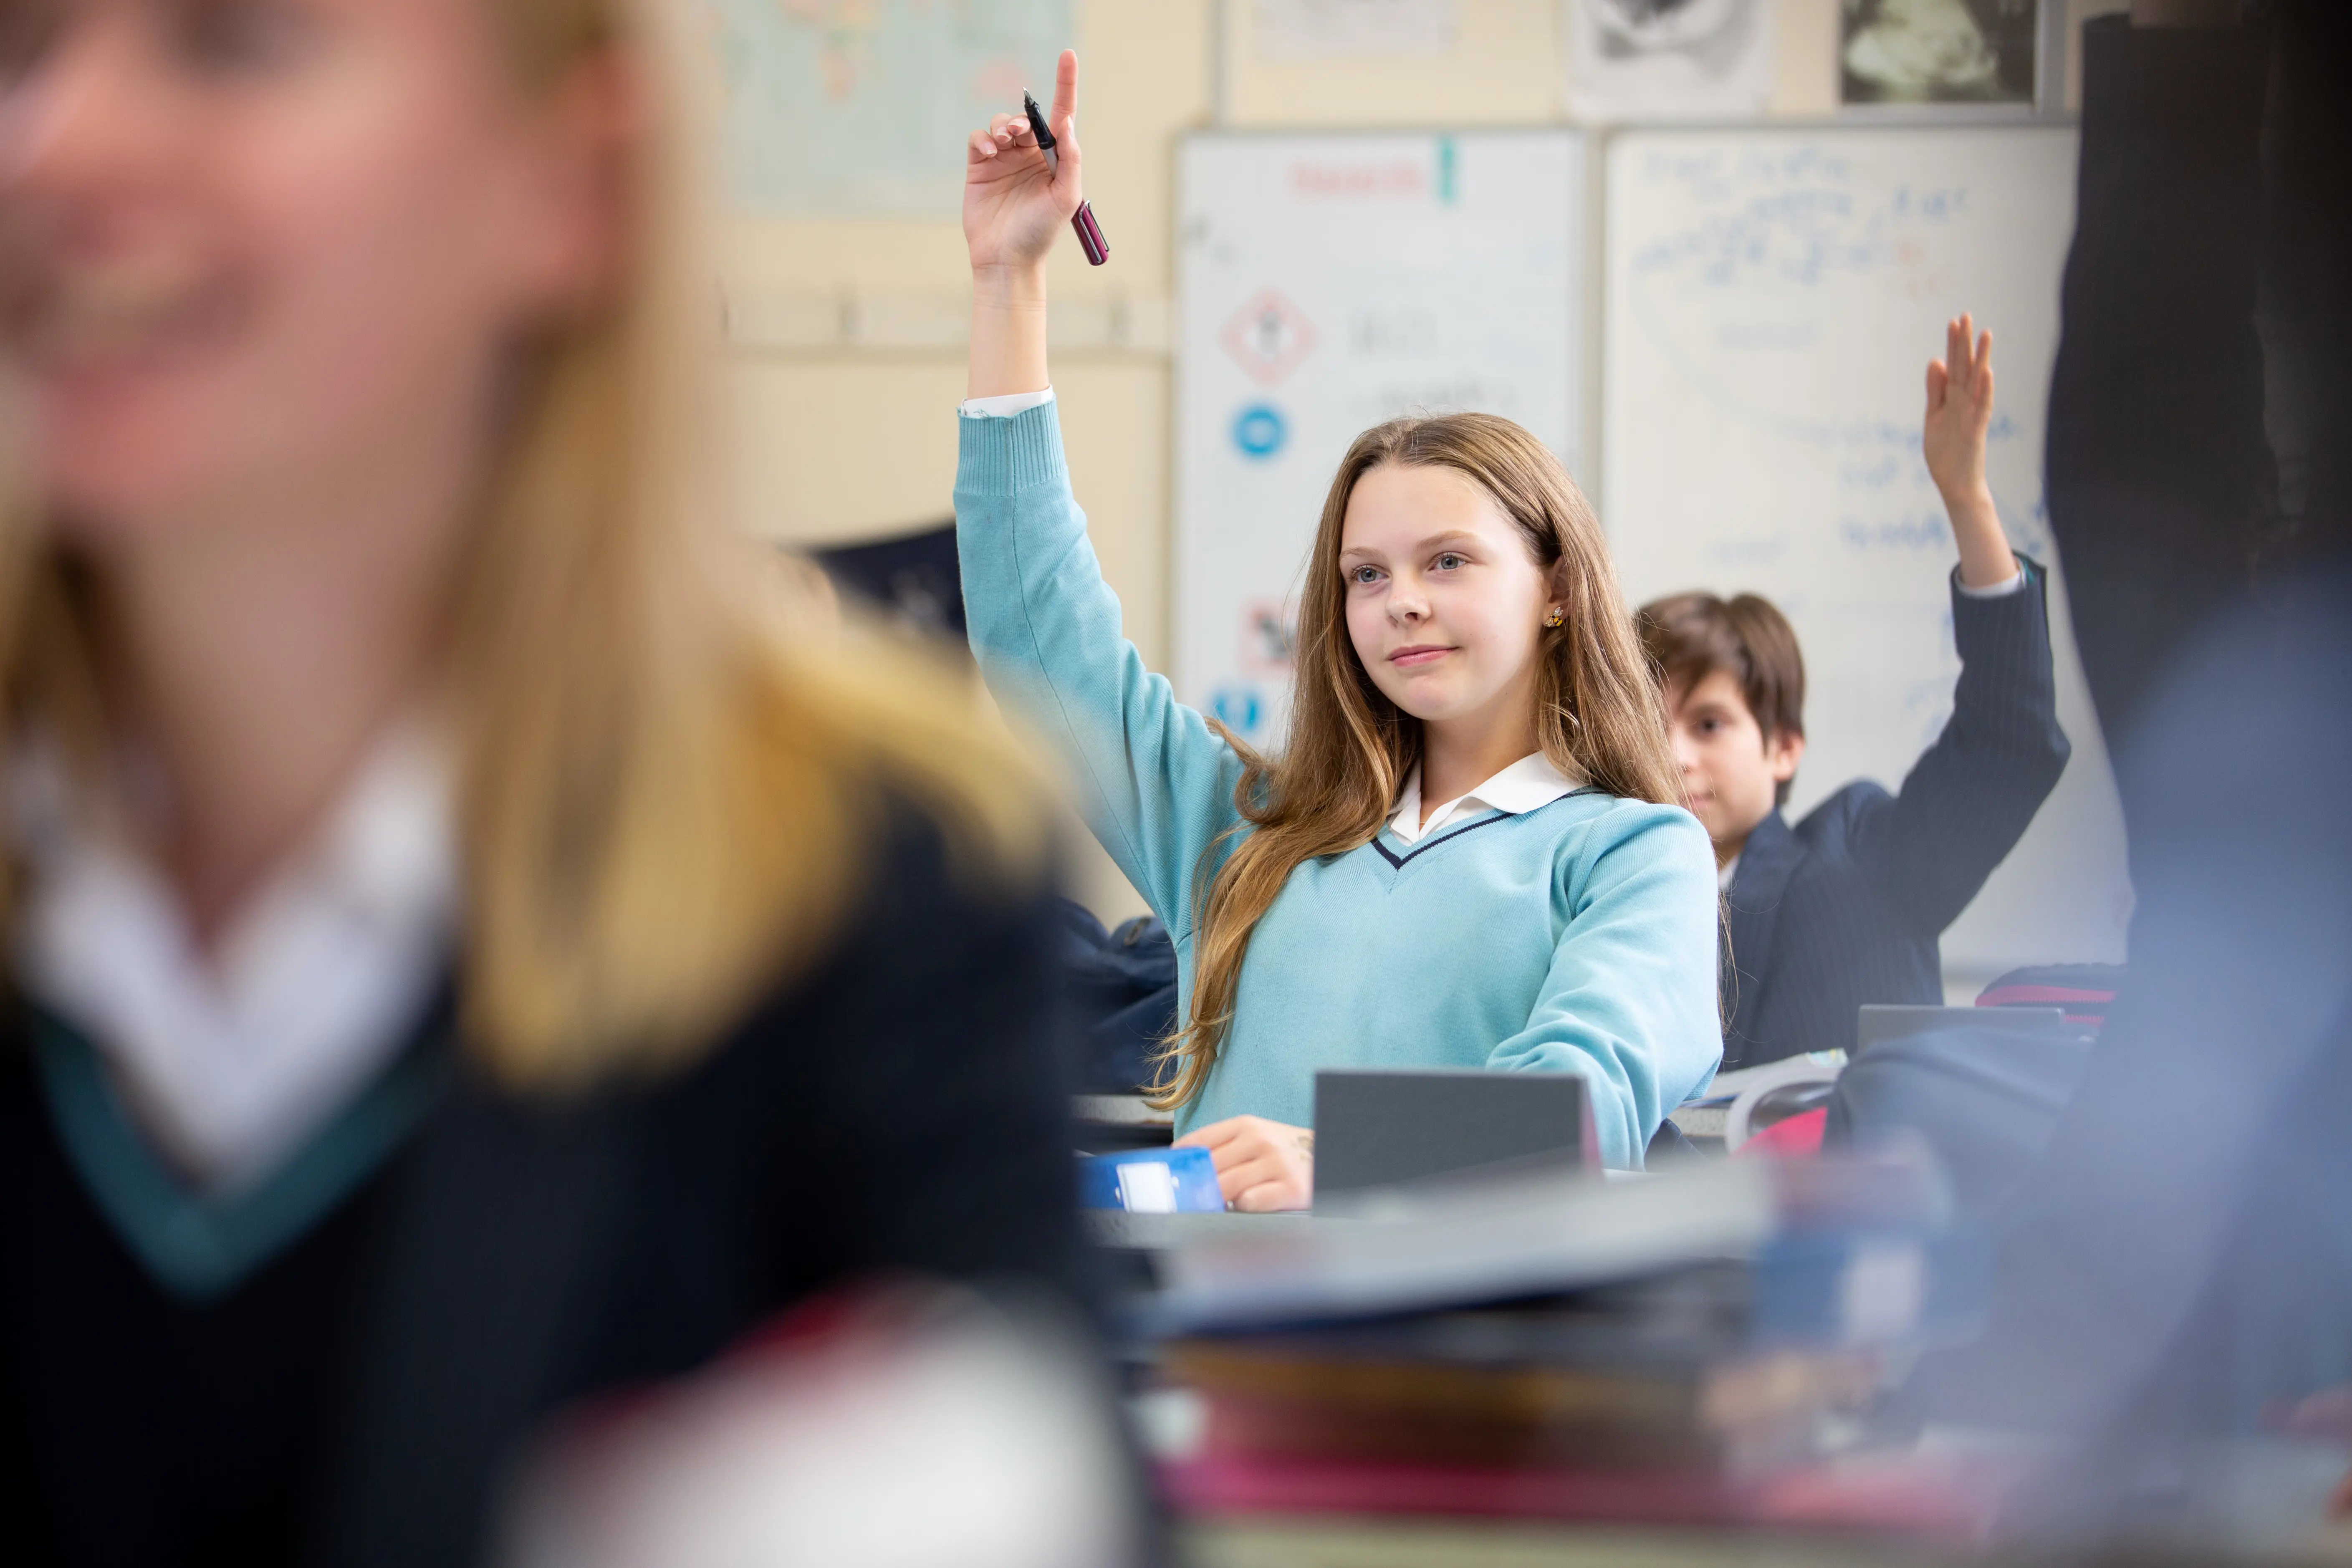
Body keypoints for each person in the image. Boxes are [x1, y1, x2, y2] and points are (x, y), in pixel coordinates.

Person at [0, 3, 1098, 1564]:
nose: (55, 142)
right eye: (17, 53)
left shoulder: (868, 880)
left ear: (565, 188)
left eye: (234, 40)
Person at [954, 53, 1720, 1208]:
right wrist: (1011, 282)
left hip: (1449, 1366)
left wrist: (1343, 1162)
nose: (1399, 600)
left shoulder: (1630, 853)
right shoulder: (1245, 834)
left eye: (1448, 561)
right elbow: (1040, 639)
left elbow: (1583, 1102)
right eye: (1365, 575)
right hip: (1210, 1346)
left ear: (1556, 586)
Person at [1637, 318, 2070, 1069]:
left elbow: (2008, 744)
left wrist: (1967, 499)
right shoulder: (1609, 902)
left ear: (1783, 747)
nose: (1673, 755)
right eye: (1650, 725)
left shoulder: (1860, 856)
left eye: (1709, 725)